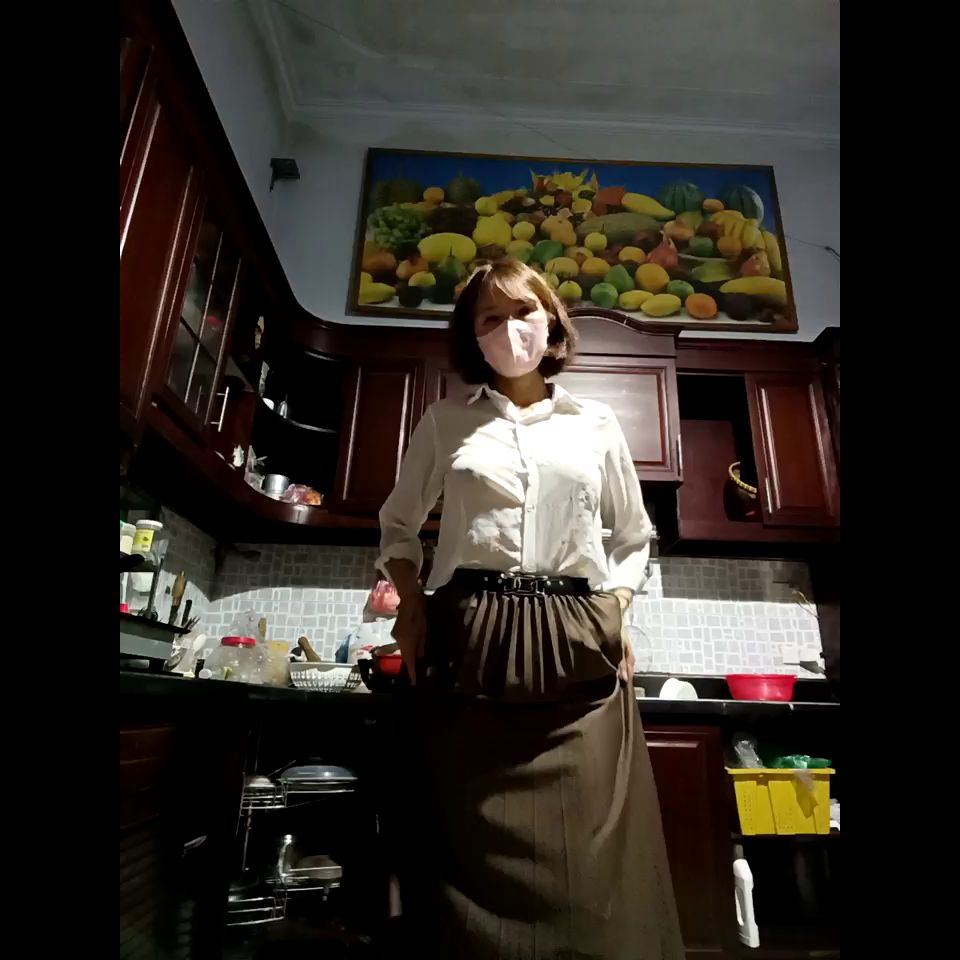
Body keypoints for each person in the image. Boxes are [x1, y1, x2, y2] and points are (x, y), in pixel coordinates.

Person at [377, 259, 684, 960]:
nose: (510, 328)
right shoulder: (445, 422)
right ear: (472, 337)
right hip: (468, 641)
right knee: (460, 838)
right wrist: (412, 604)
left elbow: (633, 536)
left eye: (523, 311)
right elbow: (397, 527)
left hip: (577, 637)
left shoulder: (596, 424)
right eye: (490, 317)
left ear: (551, 323)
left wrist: (616, 608)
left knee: (591, 853)